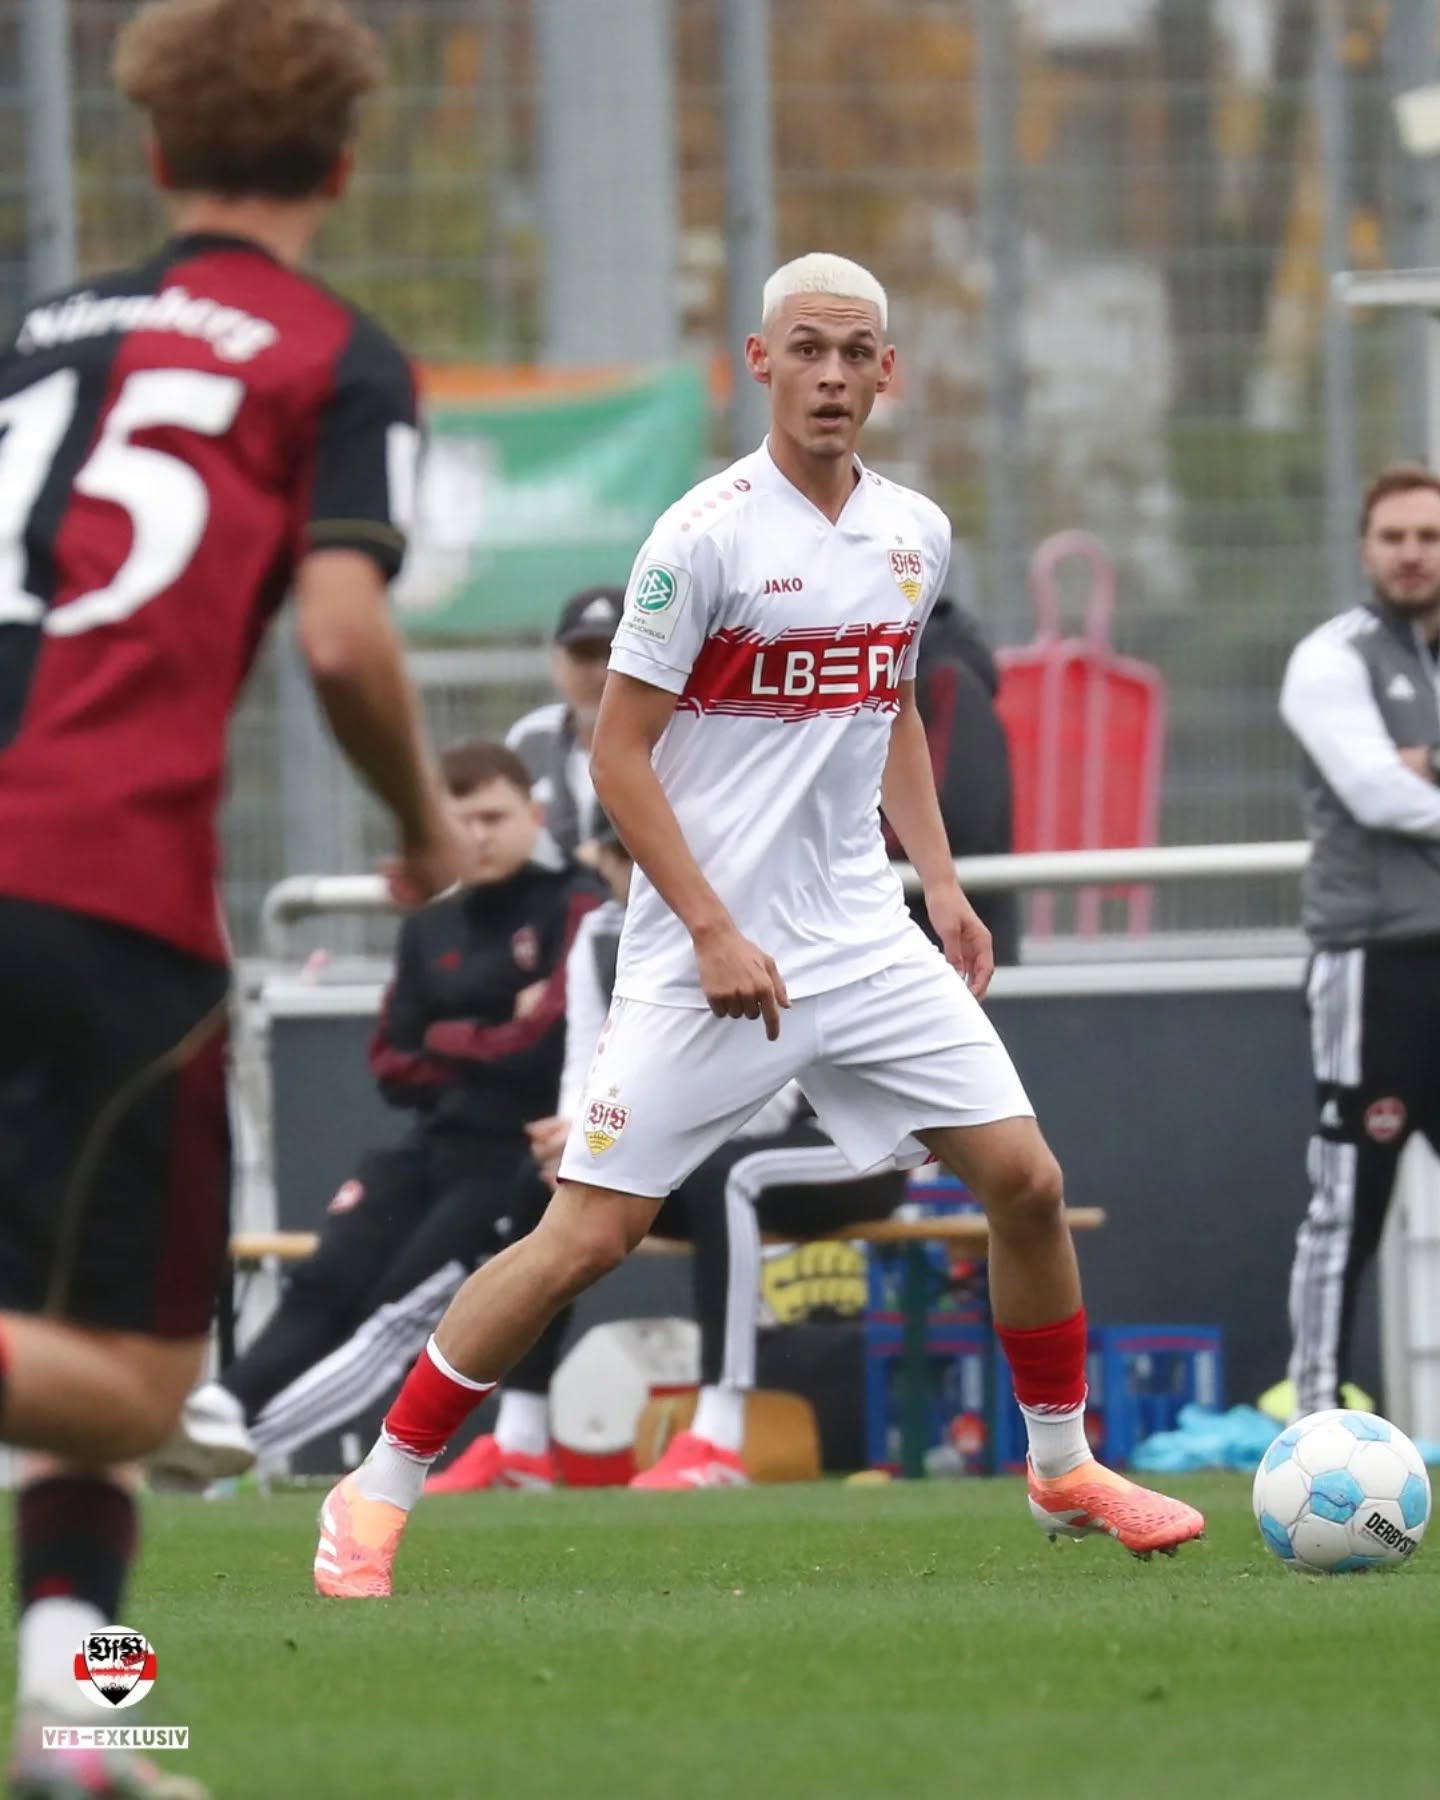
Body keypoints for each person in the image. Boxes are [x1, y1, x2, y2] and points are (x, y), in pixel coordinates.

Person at [312, 251, 1204, 1599]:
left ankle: (1063, 1463)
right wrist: (717, 930)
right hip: (703, 950)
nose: (833, 375)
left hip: (860, 932)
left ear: (887, 373)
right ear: (761, 362)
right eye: (809, 350)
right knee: (585, 1240)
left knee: (1022, 1182)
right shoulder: (702, 537)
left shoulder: (913, 531)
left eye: (857, 352)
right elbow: (618, 760)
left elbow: (887, 706)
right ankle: (372, 1491)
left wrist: (943, 884)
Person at [0, 2, 465, 1789]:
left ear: (152, 153)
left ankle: (83, 1721)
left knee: (72, 1385)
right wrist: (424, 820)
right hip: (99, 889)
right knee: (137, 1387)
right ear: (344, 165)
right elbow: (342, 631)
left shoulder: (37, 331)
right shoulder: (331, 352)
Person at [151, 743, 599, 1486]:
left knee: (393, 1320)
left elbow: (546, 1041)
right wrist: (487, 1033)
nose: (479, 837)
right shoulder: (432, 923)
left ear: (534, 815)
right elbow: (392, 1059)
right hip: (428, 1142)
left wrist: (449, 1037)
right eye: (462, 822)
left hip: (516, 1157)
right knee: (325, 1283)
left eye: (494, 817)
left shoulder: (573, 903)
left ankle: (226, 1457)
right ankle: (218, 1416)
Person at [427, 819, 906, 1493]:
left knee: (728, 1176)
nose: (650, 871)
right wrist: (582, 1136)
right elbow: (588, 1058)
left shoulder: (756, 918)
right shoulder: (598, 938)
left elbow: (767, 1093)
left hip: (848, 1145)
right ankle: (520, 1443)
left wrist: (622, 1131)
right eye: (631, 854)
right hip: (702, 1148)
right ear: (603, 860)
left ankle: (718, 1435)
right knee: (550, 1183)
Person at [1279, 462, 1440, 1419]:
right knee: (1349, 1202)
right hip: (1371, 965)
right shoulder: (1329, 658)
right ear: (1365, 549)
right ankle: (1312, 1421)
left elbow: (1407, 787)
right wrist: (1399, 771)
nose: (1413, 554)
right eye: (1395, 537)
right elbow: (1377, 792)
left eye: (1429, 536)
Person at [901, 596, 1021, 965]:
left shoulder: (946, 681)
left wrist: (849, 837)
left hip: (950, 945)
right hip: (921, 935)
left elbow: (963, 813)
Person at [505, 585, 624, 855]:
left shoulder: (674, 741)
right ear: (557, 663)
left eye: (614, 654)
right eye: (584, 655)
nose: (600, 673)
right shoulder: (530, 737)